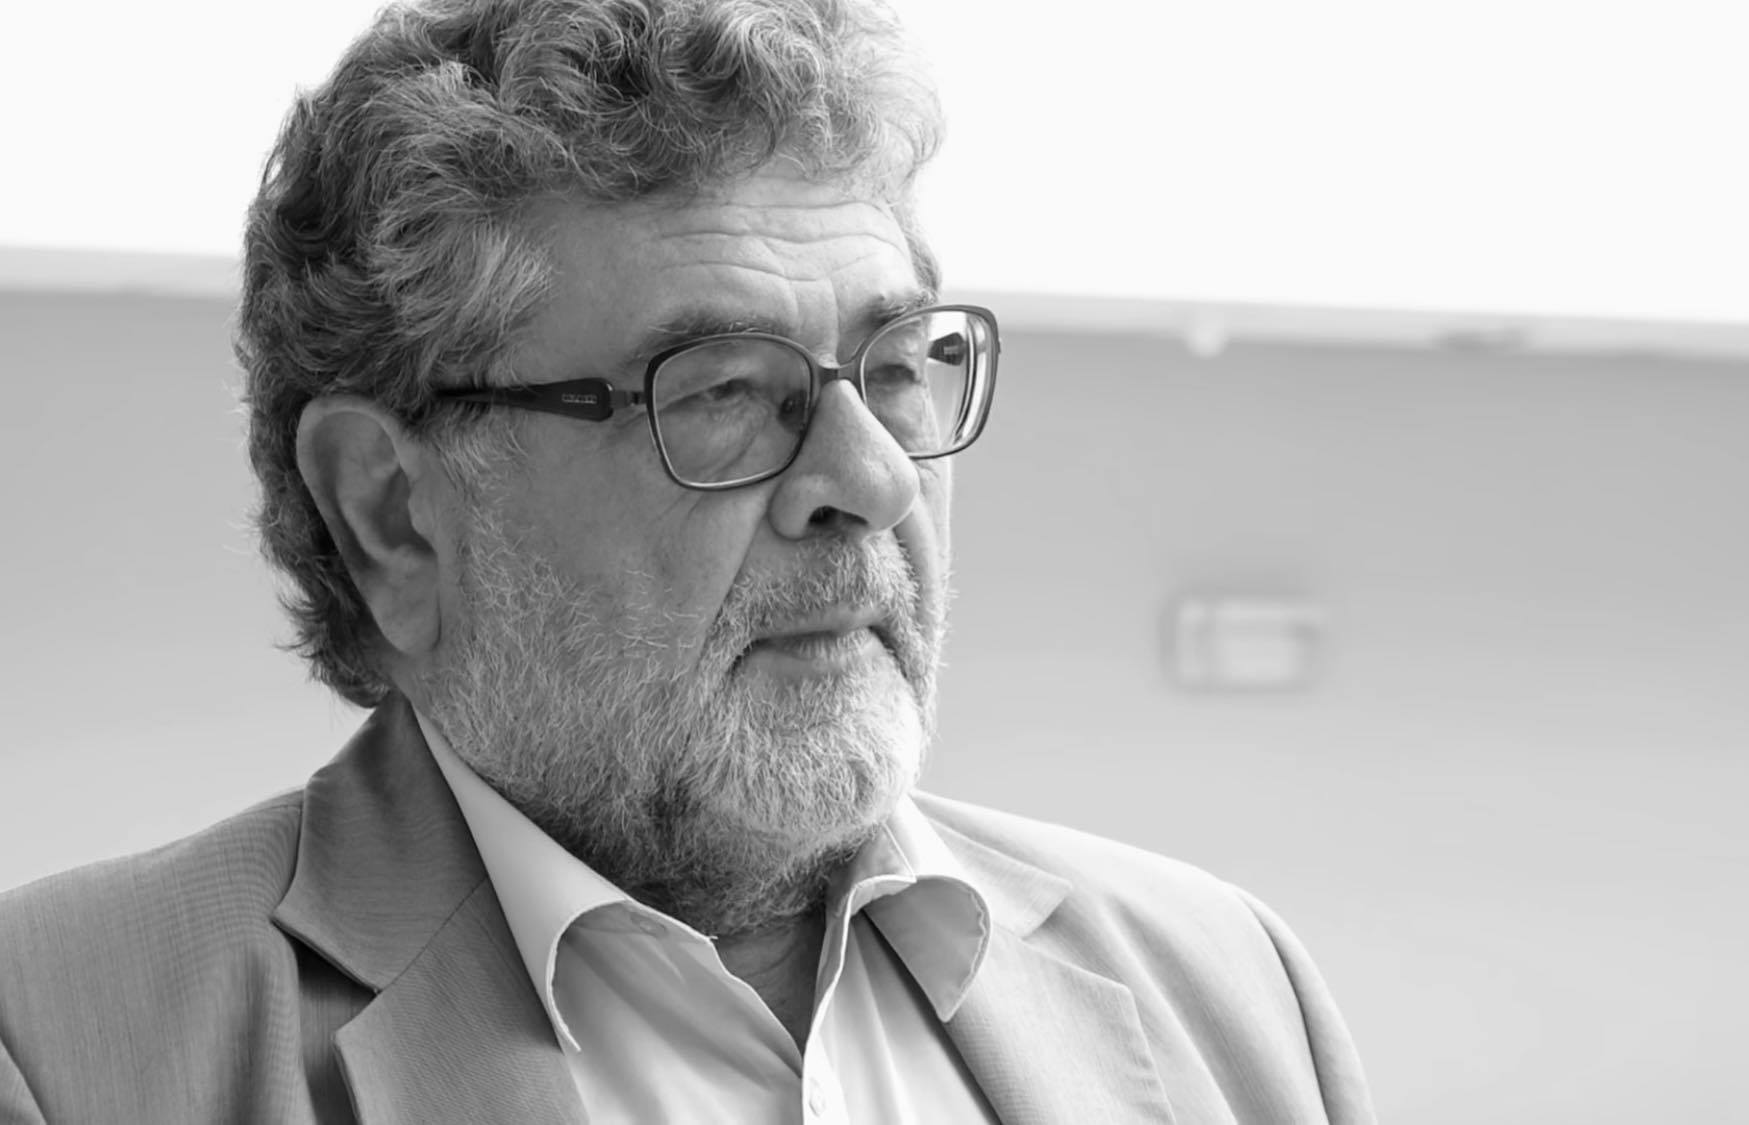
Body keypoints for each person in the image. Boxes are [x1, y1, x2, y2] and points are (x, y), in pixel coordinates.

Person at [0, 0, 1376, 1120]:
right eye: (720, 390)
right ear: (392, 513)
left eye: (898, 367)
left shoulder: (1228, 991)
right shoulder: (59, 1048)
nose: (871, 479)